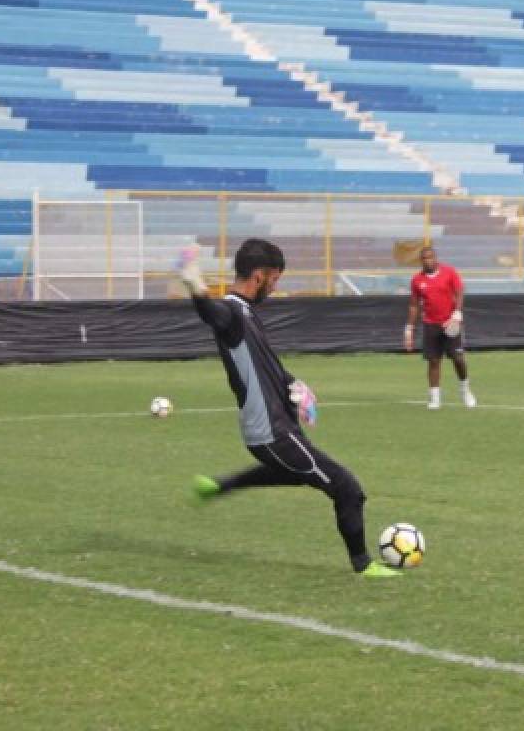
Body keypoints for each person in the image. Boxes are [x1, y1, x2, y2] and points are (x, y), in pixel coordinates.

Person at [180, 239, 400, 578]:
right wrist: (195, 284)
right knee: (347, 488)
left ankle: (219, 486)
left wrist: (294, 387)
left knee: (293, 473)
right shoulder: (233, 312)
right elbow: (213, 314)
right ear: (259, 275)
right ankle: (364, 564)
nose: (275, 286)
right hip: (272, 432)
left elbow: (266, 364)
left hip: (274, 427)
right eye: (275, 279)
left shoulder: (247, 313)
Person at [403, 245, 478, 410]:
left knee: (458, 358)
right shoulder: (417, 280)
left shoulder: (449, 272)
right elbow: (414, 306)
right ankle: (435, 397)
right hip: (430, 325)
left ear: (436, 258)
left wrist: (457, 313)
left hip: (450, 323)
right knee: (433, 361)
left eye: (431, 257)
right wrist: (409, 328)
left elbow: (459, 292)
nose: (428, 261)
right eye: (424, 258)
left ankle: (465, 389)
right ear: (421, 261)